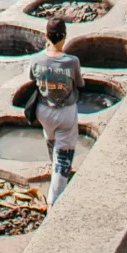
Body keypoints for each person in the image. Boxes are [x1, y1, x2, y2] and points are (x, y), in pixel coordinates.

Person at [28, 17, 84, 205]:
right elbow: (79, 83)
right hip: (65, 114)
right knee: (63, 158)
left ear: (46, 35)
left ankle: (54, 166)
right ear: (64, 36)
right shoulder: (71, 61)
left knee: (51, 139)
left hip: (43, 111)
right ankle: (55, 203)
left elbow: (32, 78)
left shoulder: (36, 59)